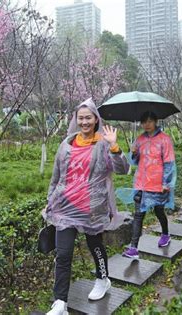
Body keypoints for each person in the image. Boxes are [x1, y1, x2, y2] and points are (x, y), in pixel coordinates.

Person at [45, 98, 129, 315]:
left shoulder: (103, 143)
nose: (84, 122)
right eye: (80, 118)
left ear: (95, 119)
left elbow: (122, 169)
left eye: (88, 118)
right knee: (63, 254)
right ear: (76, 119)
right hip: (65, 208)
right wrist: (51, 200)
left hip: (91, 208)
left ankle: (103, 279)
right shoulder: (66, 144)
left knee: (96, 247)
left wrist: (115, 146)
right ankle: (60, 302)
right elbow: (56, 176)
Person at [122, 111, 176, 259]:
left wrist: (166, 182)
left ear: (155, 121)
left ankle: (165, 234)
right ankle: (133, 248)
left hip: (158, 184)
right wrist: (133, 152)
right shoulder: (139, 139)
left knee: (159, 211)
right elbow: (134, 161)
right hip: (141, 183)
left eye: (149, 121)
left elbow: (169, 162)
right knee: (138, 215)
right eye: (143, 122)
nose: (146, 124)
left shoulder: (164, 139)